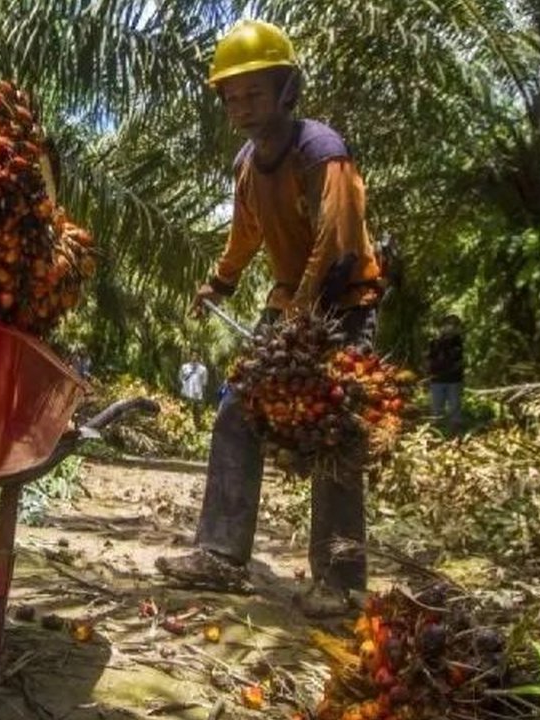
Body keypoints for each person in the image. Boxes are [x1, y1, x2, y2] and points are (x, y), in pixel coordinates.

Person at [155, 19, 384, 617]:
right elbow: (248, 231)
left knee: (336, 436)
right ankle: (221, 555)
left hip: (344, 306)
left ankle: (339, 582)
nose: (241, 106)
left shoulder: (322, 153)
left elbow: (335, 245)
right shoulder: (247, 164)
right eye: (231, 96)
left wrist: (301, 320)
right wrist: (221, 282)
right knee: (237, 410)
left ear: (287, 89)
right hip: (290, 306)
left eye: (253, 92)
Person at [426, 315, 465, 434]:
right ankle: (436, 431)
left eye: (454, 325)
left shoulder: (457, 342)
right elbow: (429, 358)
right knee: (437, 406)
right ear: (443, 326)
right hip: (437, 379)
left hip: (454, 380)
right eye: (448, 324)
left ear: (457, 327)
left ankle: (455, 431)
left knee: (454, 406)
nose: (451, 327)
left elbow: (457, 359)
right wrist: (429, 371)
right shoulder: (435, 341)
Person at [179, 351, 209, 426]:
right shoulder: (184, 367)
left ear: (198, 357)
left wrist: (202, 395)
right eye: (193, 355)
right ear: (190, 356)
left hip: (197, 395)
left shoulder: (203, 369)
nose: (194, 357)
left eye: (196, 355)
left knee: (196, 414)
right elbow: (180, 378)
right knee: (184, 412)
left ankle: (197, 427)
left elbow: (204, 383)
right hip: (186, 393)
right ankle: (182, 426)